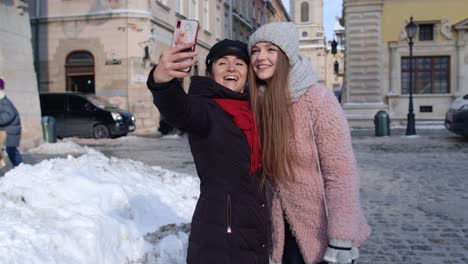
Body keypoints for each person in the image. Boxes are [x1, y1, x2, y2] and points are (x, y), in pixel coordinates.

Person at [248, 22, 370, 264]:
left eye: (270, 49)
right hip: (278, 231)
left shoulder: (318, 100)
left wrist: (341, 238)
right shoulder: (259, 101)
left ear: (286, 55)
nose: (260, 57)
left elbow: (341, 173)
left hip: (319, 232)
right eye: (255, 50)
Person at [146, 39, 269, 264]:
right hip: (219, 240)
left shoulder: (258, 112)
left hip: (256, 235)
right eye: (222, 63)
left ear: (248, 74)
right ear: (211, 73)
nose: (231, 68)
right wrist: (162, 80)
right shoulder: (205, 109)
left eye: (239, 64)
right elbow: (178, 108)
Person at [0, 78, 23, 167]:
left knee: (11, 150)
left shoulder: (3, 101)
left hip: (11, 131)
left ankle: (21, 168)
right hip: (8, 130)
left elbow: (10, 114)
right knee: (11, 150)